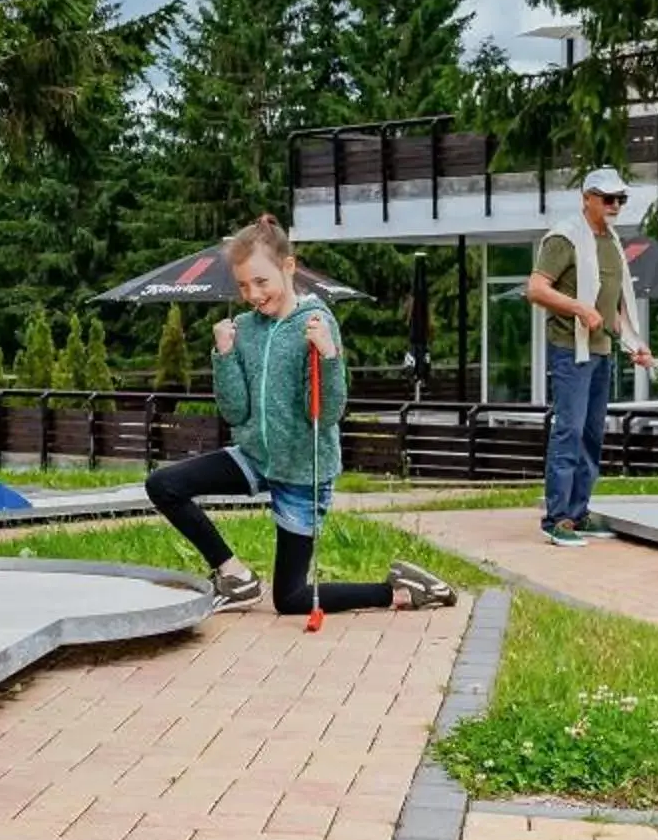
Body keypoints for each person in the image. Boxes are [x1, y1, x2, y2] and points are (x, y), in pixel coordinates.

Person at [144, 216, 458, 617]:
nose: (252, 294)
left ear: (288, 268)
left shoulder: (316, 323)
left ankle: (398, 591)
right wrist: (223, 355)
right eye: (242, 285)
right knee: (164, 485)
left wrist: (328, 356)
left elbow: (327, 415)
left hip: (301, 468)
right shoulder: (245, 328)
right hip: (255, 455)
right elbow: (234, 411)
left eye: (261, 282)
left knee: (291, 600)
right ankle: (235, 576)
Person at [526, 166, 654, 545]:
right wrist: (579, 309)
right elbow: (535, 289)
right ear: (587, 198)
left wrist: (634, 343)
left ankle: (579, 513)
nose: (616, 205)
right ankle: (557, 519)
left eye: (620, 199)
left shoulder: (612, 242)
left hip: (601, 350)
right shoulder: (564, 238)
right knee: (569, 429)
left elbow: (611, 306)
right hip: (570, 349)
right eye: (608, 198)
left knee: (592, 434)